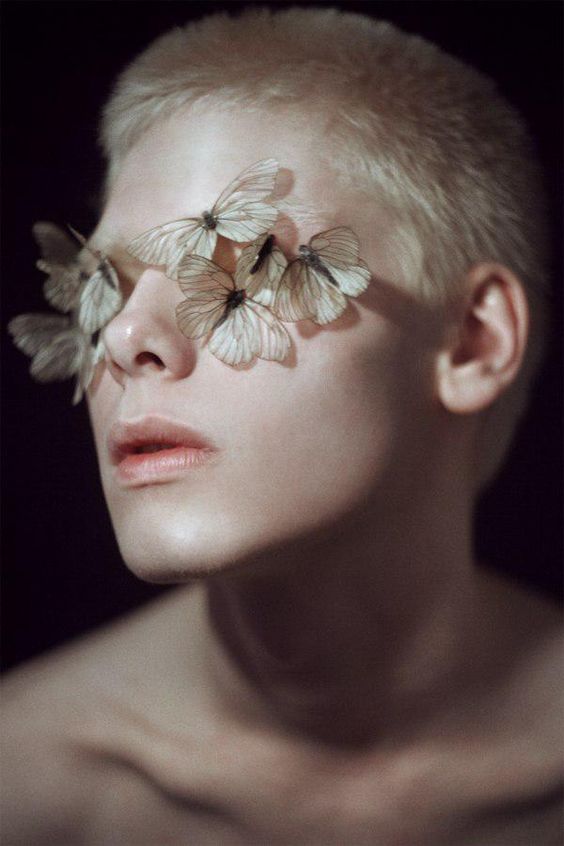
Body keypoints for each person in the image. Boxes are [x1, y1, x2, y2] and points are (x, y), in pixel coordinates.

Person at [2, 6, 562, 844]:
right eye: (105, 286)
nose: (123, 338)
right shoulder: (24, 786)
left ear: (474, 341)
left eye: (248, 260)